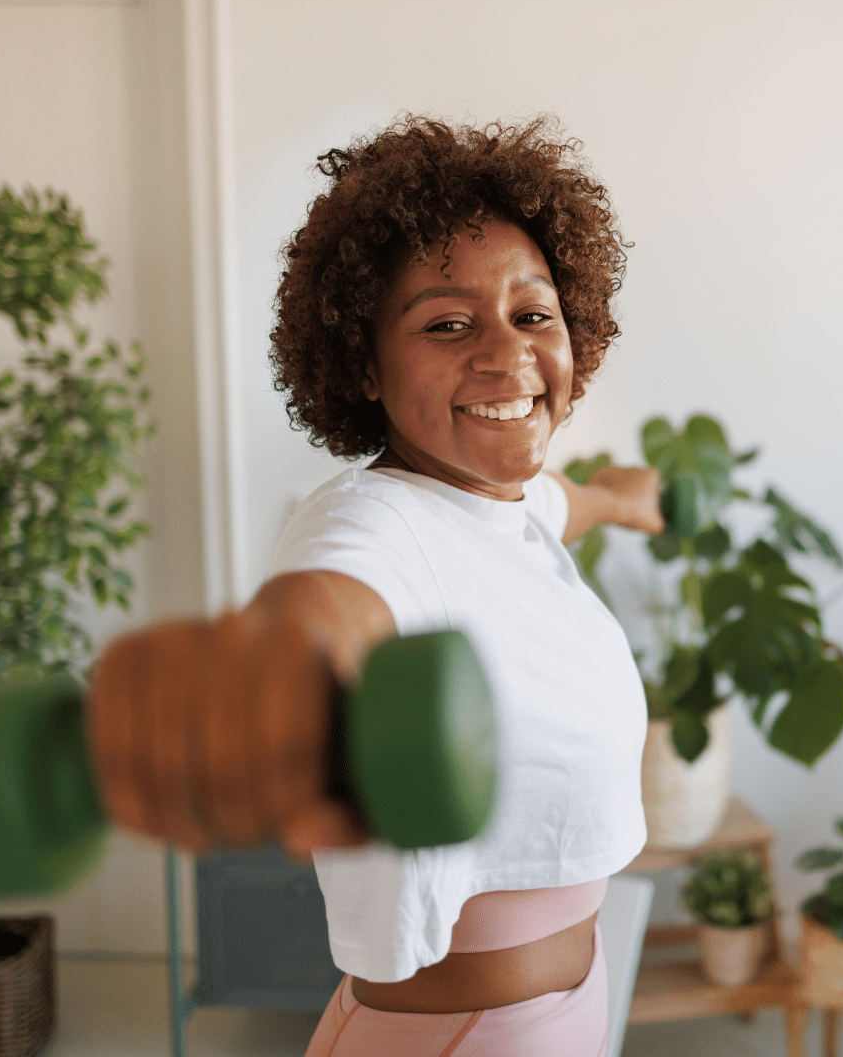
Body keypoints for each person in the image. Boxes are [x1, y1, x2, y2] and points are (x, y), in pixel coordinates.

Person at [261, 116, 663, 1056]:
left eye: (533, 314)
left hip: (554, 1013)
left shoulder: (495, 503)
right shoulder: (369, 523)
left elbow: (558, 504)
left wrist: (622, 499)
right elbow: (332, 602)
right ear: (362, 361)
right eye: (447, 323)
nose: (507, 354)